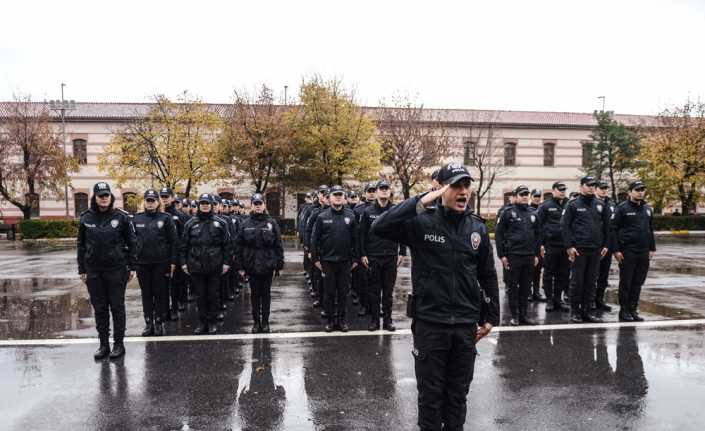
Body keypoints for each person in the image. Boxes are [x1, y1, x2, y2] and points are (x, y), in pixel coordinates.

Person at [372, 162, 499, 431]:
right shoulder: (421, 222)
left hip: (465, 325)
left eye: (466, 185)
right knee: (430, 398)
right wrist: (420, 200)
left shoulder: (476, 228)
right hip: (431, 324)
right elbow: (380, 227)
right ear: (441, 189)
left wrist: (491, 317)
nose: (463, 191)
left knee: (457, 396)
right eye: (456, 186)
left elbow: (487, 273)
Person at [77, 182, 138, 360]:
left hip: (116, 270)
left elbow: (133, 243)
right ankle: (104, 345)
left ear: (110, 197)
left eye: (106, 195)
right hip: (94, 271)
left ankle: (118, 345)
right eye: (100, 196)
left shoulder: (121, 217)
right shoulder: (86, 218)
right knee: (100, 309)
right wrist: (82, 268)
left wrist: (132, 266)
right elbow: (81, 245)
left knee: (117, 307)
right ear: (94, 198)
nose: (104, 199)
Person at [180, 193, 233, 335]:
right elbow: (184, 245)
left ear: (211, 205)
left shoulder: (220, 223)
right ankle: (202, 322)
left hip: (215, 266)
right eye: (202, 203)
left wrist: (227, 263)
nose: (204, 205)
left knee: (213, 295)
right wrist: (184, 263)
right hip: (196, 266)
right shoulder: (190, 223)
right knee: (200, 296)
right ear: (198, 205)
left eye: (207, 203)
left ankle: (212, 323)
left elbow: (227, 245)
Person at [561, 176, 610, 323]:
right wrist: (569, 247)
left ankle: (587, 311)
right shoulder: (573, 205)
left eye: (593, 185)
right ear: (581, 186)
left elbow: (608, 227)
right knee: (577, 282)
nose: (591, 187)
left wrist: (606, 245)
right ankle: (575, 311)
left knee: (591, 282)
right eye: (588, 185)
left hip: (595, 250)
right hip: (579, 250)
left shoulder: (600, 204)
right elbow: (565, 227)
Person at [310, 185, 359, 332]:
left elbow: (356, 239)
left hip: (345, 262)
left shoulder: (350, 216)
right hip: (328, 261)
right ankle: (331, 321)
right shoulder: (322, 217)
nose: (338, 197)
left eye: (340, 195)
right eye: (335, 195)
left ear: (344, 198)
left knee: (343, 293)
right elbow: (315, 239)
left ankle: (342, 321)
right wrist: (315, 259)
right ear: (329, 198)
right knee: (329, 293)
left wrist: (355, 258)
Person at [359, 179, 406, 331]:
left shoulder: (395, 210)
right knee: (374, 291)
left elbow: (402, 231)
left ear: (389, 191)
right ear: (377, 191)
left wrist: (402, 252)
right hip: (374, 256)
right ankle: (374, 321)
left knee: (388, 292)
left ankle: (388, 321)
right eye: (381, 188)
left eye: (386, 188)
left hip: (390, 256)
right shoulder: (368, 211)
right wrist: (363, 254)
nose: (384, 191)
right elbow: (362, 235)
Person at [236, 193, 285, 333]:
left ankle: (265, 322)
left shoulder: (271, 223)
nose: (258, 206)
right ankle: (256, 322)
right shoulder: (245, 223)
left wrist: (279, 264)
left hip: (267, 263)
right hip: (251, 264)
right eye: (255, 204)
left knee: (266, 295)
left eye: (260, 204)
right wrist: (240, 266)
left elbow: (278, 245)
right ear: (251, 206)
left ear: (264, 205)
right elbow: (238, 245)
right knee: (254, 295)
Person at [133, 189, 178, 336]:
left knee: (160, 293)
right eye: (148, 200)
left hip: (161, 263)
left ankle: (159, 321)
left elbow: (173, 242)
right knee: (146, 294)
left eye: (153, 200)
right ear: (144, 202)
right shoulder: (137, 218)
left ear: (158, 202)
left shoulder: (165, 218)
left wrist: (172, 262)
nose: (150, 203)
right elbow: (132, 242)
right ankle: (148, 323)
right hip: (143, 264)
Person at [611, 181, 656, 322]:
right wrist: (616, 250)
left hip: (643, 251)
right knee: (626, 282)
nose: (640, 192)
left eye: (642, 190)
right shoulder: (622, 208)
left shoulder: (647, 209)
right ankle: (623, 311)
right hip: (627, 251)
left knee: (638, 282)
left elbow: (650, 229)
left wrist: (652, 247)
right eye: (637, 190)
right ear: (630, 192)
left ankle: (633, 309)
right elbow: (613, 229)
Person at [495, 185, 540, 325]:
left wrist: (536, 254)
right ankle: (514, 315)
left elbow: (538, 235)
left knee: (526, 287)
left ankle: (523, 315)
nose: (525, 196)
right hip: (513, 255)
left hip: (528, 256)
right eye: (522, 194)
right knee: (513, 287)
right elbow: (499, 235)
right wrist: (502, 255)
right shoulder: (507, 212)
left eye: (527, 194)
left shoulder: (533, 213)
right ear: (515, 196)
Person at [537, 182, 571, 312]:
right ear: (553, 190)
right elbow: (538, 226)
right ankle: (550, 300)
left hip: (565, 245)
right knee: (548, 274)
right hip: (550, 245)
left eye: (564, 190)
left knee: (563, 274)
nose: (562, 192)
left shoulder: (569, 204)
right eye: (560, 189)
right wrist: (540, 244)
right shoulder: (545, 206)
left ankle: (558, 298)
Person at [160, 187, 190, 317]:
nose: (164, 199)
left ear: (172, 198)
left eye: (167, 196)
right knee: (161, 285)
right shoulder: (158, 214)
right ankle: (164, 309)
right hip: (161, 255)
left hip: (175, 254)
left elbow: (184, 237)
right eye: (162, 196)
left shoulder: (179, 216)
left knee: (175, 283)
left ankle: (175, 307)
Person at [305, 186, 330, 309]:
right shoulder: (317, 213)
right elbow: (309, 231)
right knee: (320, 278)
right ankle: (321, 300)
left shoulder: (346, 213)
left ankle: (332, 306)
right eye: (325, 196)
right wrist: (310, 249)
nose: (327, 199)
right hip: (321, 251)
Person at [353, 183, 376, 316]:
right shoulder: (358, 209)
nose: (372, 193)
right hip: (363, 249)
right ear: (365, 193)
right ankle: (363, 305)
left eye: (373, 191)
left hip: (377, 249)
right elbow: (356, 232)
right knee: (363, 281)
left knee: (376, 282)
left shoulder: (381, 208)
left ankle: (375, 306)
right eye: (369, 191)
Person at [594, 180, 616, 312]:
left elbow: (613, 227)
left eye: (606, 188)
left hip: (607, 245)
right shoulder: (592, 202)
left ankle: (599, 300)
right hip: (594, 245)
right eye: (601, 188)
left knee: (603, 276)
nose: (604, 190)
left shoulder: (611, 204)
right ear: (596, 189)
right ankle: (589, 301)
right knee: (591, 276)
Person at [529, 189, 546, 302]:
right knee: (529, 270)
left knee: (538, 270)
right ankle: (528, 292)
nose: (537, 198)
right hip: (530, 244)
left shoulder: (543, 209)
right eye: (535, 196)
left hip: (541, 244)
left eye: (539, 196)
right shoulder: (528, 209)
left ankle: (536, 291)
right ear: (531, 196)